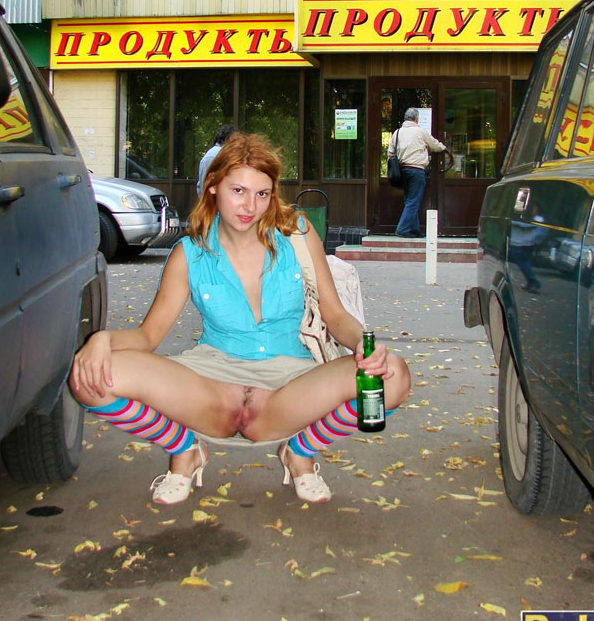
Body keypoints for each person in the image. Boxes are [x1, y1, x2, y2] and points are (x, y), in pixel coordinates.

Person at [70, 133, 411, 505]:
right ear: (213, 186)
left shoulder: (296, 234)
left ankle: (300, 451)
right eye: (238, 191)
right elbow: (148, 336)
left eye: (262, 193)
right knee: (90, 378)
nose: (251, 206)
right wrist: (101, 340)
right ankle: (184, 449)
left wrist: (363, 343)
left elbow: (334, 314)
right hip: (211, 382)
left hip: (290, 384)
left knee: (393, 376)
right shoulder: (189, 253)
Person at [387, 108, 447, 238]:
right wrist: (444, 148)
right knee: (413, 201)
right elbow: (434, 145)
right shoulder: (420, 131)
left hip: (402, 170)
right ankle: (402, 229)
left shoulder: (397, 133)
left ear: (405, 118)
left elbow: (390, 153)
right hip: (416, 170)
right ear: (416, 119)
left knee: (409, 200)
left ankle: (414, 230)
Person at [196, 123, 236, 194]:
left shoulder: (222, 154)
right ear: (228, 138)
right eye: (234, 139)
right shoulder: (214, 155)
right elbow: (205, 185)